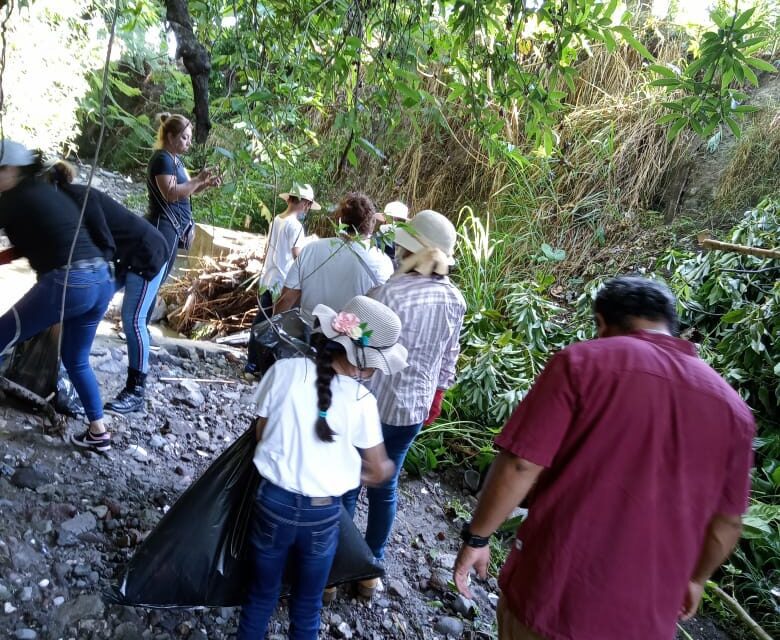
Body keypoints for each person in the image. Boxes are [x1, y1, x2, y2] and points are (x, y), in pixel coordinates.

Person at [452, 276, 755, 640]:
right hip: (644, 621)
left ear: (601, 322)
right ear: (670, 326)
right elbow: (727, 525)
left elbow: (521, 464)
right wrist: (695, 579)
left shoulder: (582, 363)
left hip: (553, 596)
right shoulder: (734, 411)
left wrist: (478, 538)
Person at [237, 295, 408, 640]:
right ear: (367, 364)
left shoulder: (284, 371)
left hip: (272, 503)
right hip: (322, 514)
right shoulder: (363, 404)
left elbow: (261, 434)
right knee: (308, 604)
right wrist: (342, 471)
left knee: (259, 597)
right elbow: (378, 471)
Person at [342, 209, 466, 596]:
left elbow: (355, 352)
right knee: (386, 485)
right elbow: (451, 354)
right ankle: (369, 569)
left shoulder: (389, 292)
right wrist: (438, 396)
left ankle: (333, 567)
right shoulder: (455, 298)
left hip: (370, 405)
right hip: (413, 409)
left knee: (348, 482)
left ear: (410, 250)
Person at [0, 141, 115, 451]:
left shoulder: (12, 199)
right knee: (76, 359)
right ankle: (98, 431)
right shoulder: (43, 193)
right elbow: (34, 243)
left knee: (2, 333)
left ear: (10, 170)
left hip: (69, 281)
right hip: (102, 279)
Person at [48, 161, 169, 414]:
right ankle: (65, 374)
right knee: (82, 306)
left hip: (147, 253)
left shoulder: (80, 198)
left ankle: (136, 391)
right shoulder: (63, 203)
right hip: (124, 256)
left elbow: (103, 241)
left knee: (133, 319)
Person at [274, 192, 393, 323]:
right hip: (349, 341)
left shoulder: (311, 249)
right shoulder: (383, 262)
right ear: (372, 223)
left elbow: (286, 299)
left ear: (340, 220)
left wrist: (273, 328)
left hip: (306, 335)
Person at [244, 183, 318, 376]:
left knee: (260, 322)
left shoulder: (277, 219)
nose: (307, 209)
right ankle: (261, 367)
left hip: (268, 279)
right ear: (305, 203)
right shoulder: (296, 226)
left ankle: (251, 364)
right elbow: (297, 256)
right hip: (282, 283)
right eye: (308, 205)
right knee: (274, 326)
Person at [145, 112, 220, 298]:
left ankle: (143, 318)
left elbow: (187, 190)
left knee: (159, 278)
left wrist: (205, 184)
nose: (189, 142)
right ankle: (139, 319)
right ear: (170, 137)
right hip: (164, 226)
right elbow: (170, 194)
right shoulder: (163, 160)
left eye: (190, 139)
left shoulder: (175, 160)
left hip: (174, 228)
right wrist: (197, 179)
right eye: (184, 138)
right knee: (155, 278)